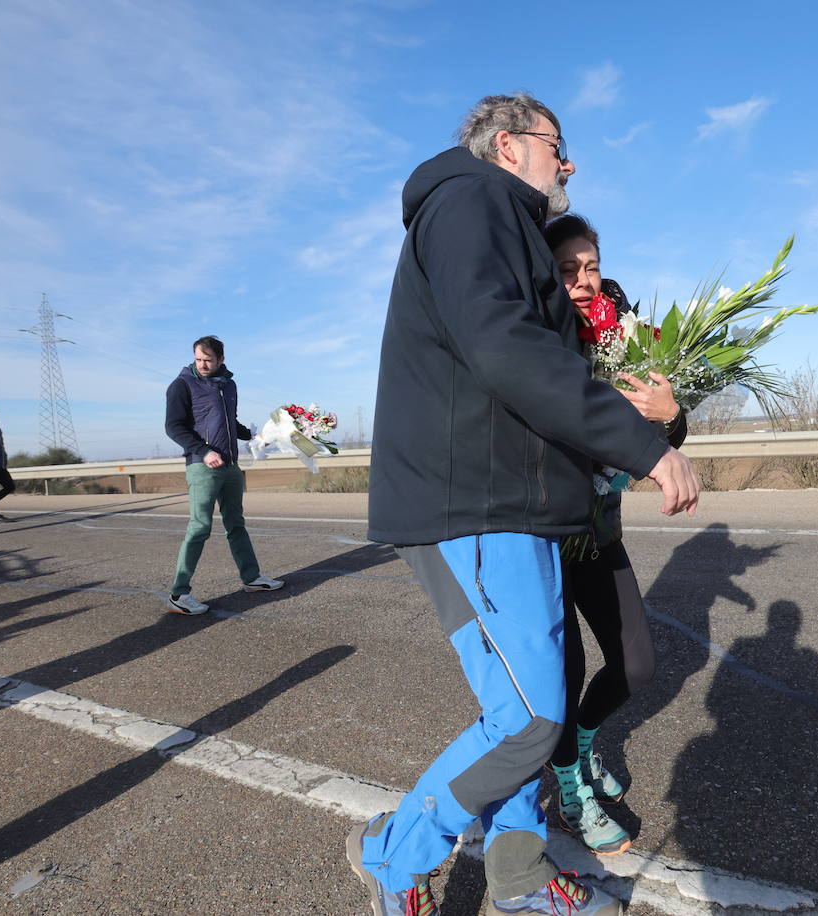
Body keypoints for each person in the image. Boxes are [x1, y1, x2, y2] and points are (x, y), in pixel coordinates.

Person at [347, 93, 699, 916]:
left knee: (516, 713)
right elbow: (505, 345)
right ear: (509, 146)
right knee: (532, 719)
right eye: (557, 146)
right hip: (472, 503)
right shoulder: (472, 200)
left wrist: (650, 417)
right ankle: (393, 853)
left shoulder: (493, 212)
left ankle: (516, 880)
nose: (567, 163)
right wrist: (645, 447)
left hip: (505, 503)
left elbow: (531, 359)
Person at [541, 214, 686, 856]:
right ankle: (570, 784)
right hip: (544, 534)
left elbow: (654, 436)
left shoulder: (620, 335)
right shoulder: (537, 336)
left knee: (636, 664)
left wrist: (671, 414)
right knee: (564, 671)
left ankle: (582, 742)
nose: (581, 281)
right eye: (567, 269)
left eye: (590, 267)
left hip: (598, 531)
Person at [162, 335, 284, 615]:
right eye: (198, 359)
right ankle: (179, 594)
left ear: (221, 360)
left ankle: (252, 579)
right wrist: (203, 451)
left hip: (230, 465)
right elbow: (174, 427)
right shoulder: (181, 385)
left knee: (236, 524)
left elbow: (231, 422)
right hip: (202, 466)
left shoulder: (229, 385)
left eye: (208, 359)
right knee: (199, 527)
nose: (202, 364)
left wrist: (255, 435)